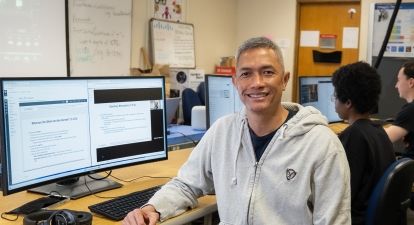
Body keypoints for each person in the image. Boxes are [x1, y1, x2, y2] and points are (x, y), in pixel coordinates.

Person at [123, 37, 351, 225]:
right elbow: (186, 184)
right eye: (246, 74)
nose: (257, 83)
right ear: (235, 82)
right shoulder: (222, 132)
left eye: (268, 72)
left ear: (284, 80)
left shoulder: (322, 144)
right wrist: (153, 208)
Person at [331, 61, 396, 225]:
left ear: (348, 102)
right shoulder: (379, 130)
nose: (334, 101)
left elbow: (342, 195)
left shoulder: (354, 136)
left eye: (336, 96)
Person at [385, 61, 414, 158]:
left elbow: (382, 140)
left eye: (398, 80)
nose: (396, 85)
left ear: (411, 82)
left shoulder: (410, 109)